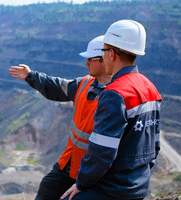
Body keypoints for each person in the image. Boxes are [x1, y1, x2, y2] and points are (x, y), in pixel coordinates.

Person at [61, 20, 162, 200]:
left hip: (112, 189)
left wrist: (81, 183)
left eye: (104, 51)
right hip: (138, 185)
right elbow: (154, 146)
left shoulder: (115, 94)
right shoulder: (150, 88)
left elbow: (101, 153)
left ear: (112, 54)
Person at [9, 35, 112, 200]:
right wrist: (30, 76)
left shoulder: (117, 95)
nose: (86, 63)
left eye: (90, 59)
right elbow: (57, 87)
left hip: (92, 172)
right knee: (48, 188)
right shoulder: (84, 83)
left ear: (104, 60)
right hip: (68, 164)